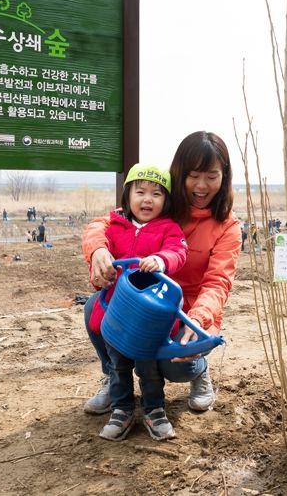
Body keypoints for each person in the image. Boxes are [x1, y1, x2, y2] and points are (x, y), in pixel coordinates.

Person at [82, 131, 241, 430]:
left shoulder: (227, 226)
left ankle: (199, 371)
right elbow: (105, 222)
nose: (202, 185)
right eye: (194, 175)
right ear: (179, 174)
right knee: (95, 307)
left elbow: (218, 282)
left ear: (225, 176)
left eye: (211, 176)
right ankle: (114, 376)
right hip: (146, 302)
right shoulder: (161, 205)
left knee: (174, 365)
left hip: (187, 310)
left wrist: (198, 318)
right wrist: (98, 250)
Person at [87, 164, 188, 441]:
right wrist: (101, 275)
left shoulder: (168, 228)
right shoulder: (114, 226)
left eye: (156, 194)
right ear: (126, 196)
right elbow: (99, 266)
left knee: (149, 367)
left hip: (147, 320)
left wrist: (161, 259)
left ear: (166, 200)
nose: (147, 199)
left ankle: (154, 409)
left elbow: (179, 251)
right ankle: (121, 409)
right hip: (117, 316)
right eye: (140, 192)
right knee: (118, 366)